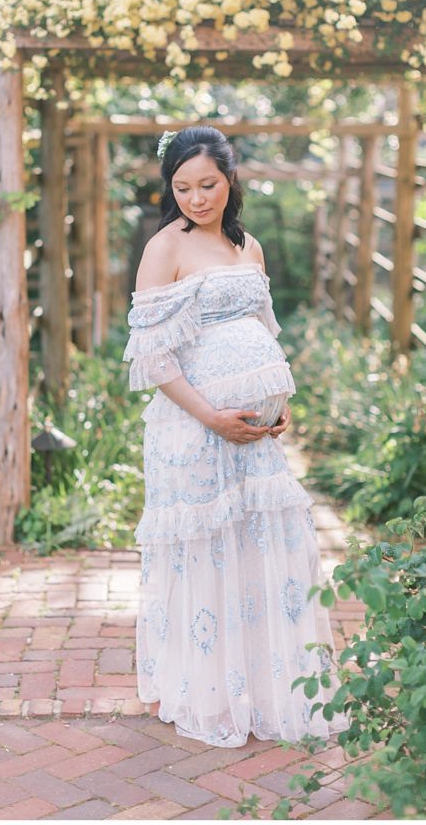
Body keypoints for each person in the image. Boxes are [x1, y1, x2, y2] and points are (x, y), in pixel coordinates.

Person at [123, 125, 348, 748]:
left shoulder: (250, 247)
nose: (197, 198)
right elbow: (154, 361)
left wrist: (279, 405)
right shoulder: (165, 247)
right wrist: (211, 416)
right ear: (171, 189)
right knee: (209, 553)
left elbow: (262, 335)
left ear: (230, 179)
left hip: (256, 439)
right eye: (183, 187)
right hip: (193, 432)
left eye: (208, 185)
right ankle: (210, 688)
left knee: (267, 549)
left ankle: (263, 682)